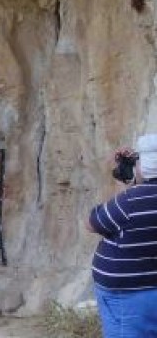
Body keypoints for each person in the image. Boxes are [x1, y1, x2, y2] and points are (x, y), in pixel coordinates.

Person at [87, 133, 157, 337]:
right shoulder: (133, 200)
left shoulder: (129, 202)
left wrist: (127, 183)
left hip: (128, 297)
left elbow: (92, 223)